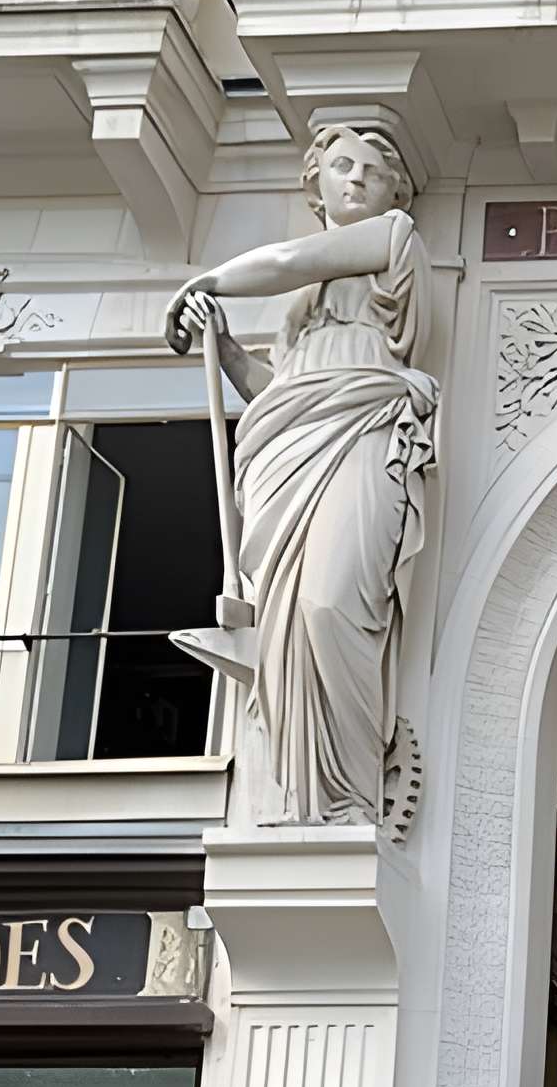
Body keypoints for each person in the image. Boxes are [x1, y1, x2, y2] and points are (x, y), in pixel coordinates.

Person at [164, 125, 437, 827]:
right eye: (342, 166)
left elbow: (289, 258)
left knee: (328, 604)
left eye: (373, 172)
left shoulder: (394, 239)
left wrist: (207, 280)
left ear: (395, 192)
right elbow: (276, 390)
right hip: (291, 443)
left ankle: (352, 791)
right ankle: (311, 802)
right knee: (287, 624)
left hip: (365, 423)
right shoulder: (299, 310)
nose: (357, 180)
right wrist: (227, 348)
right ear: (316, 183)